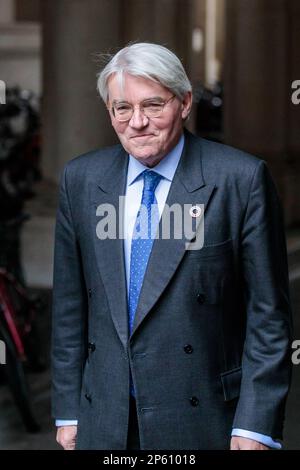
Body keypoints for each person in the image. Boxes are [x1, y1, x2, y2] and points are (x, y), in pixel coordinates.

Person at [52, 42, 292, 450]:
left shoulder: (241, 179)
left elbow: (268, 319)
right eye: (121, 108)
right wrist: (68, 412)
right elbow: (70, 309)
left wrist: (255, 426)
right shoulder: (81, 180)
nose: (137, 122)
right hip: (104, 420)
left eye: (153, 105)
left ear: (183, 102)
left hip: (204, 421)